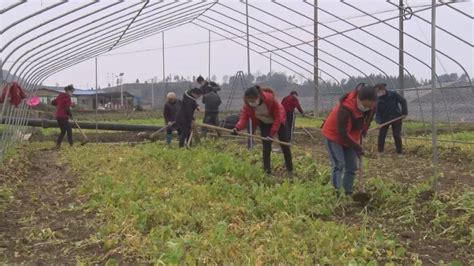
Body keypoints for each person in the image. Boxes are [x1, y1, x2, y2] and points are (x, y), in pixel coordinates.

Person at [322, 84, 377, 196]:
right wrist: (357, 147)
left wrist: (365, 127)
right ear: (359, 100)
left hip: (351, 136)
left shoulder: (372, 105)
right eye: (364, 106)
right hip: (334, 135)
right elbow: (342, 133)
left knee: (352, 166)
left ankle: (348, 192)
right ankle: (337, 192)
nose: (366, 108)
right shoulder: (346, 108)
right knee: (339, 164)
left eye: (369, 106)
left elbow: (369, 116)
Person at [232, 86, 293, 176]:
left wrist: (272, 134)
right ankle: (267, 172)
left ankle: (290, 170)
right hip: (265, 123)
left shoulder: (271, 100)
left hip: (279, 122)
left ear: (259, 96)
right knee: (266, 148)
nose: (252, 102)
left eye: (253, 100)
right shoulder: (248, 105)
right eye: (250, 100)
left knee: (285, 145)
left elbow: (278, 118)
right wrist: (237, 128)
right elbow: (244, 118)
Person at [375, 83, 408, 157]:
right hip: (384, 119)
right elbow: (377, 112)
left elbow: (403, 101)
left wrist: (404, 113)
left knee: (396, 135)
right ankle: (380, 152)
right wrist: (378, 122)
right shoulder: (378, 99)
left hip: (396, 117)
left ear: (383, 90)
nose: (377, 93)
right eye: (376, 92)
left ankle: (399, 153)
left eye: (378, 91)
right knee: (381, 135)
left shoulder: (393, 94)